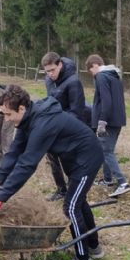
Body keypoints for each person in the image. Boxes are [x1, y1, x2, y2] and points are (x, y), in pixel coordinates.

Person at [0, 85, 104, 260]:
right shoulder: (26, 120)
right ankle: (94, 247)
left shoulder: (43, 124)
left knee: (71, 206)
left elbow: (27, 164)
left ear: (21, 108)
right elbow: (14, 153)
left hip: (87, 159)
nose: (7, 119)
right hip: (73, 157)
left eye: (8, 114)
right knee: (79, 202)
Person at [41, 52, 92, 202]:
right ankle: (61, 189)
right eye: (47, 71)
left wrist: (61, 124)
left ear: (60, 65)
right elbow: (51, 101)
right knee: (51, 156)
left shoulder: (73, 82)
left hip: (71, 125)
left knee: (69, 159)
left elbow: (77, 110)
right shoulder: (49, 81)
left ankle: (73, 190)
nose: (50, 74)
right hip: (55, 124)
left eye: (52, 70)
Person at [85, 54, 130, 197]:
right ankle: (107, 179)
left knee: (106, 151)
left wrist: (102, 121)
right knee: (106, 149)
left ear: (95, 65)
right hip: (118, 119)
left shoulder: (101, 76)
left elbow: (106, 100)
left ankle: (122, 182)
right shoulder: (114, 76)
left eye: (90, 71)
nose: (92, 75)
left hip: (108, 121)